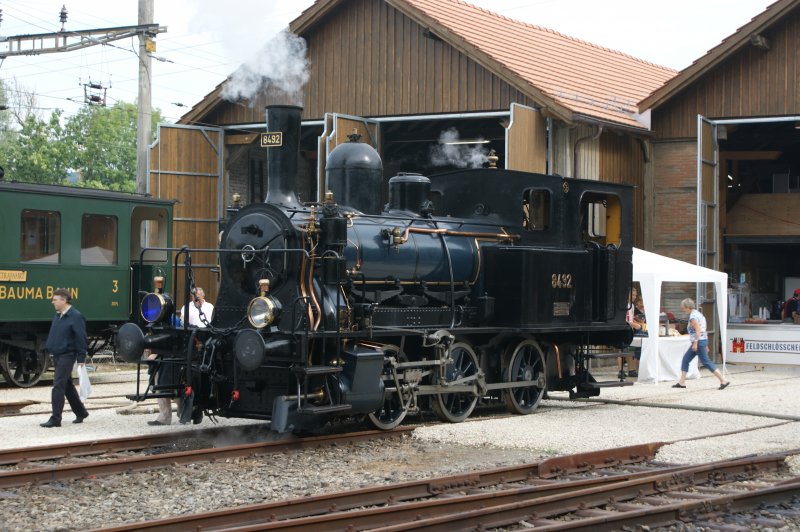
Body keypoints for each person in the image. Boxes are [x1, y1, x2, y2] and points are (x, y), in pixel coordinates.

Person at [40, 288, 90, 428]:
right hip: (57, 354)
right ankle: (81, 412)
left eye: (55, 300)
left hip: (67, 355)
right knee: (67, 385)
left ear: (64, 300)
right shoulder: (58, 315)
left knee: (58, 385)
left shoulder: (75, 316)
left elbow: (81, 337)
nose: (52, 302)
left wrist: (81, 357)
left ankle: (55, 419)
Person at [672, 298, 730, 390]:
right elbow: (703, 329)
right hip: (701, 341)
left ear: (688, 307)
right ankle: (681, 382)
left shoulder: (693, 317)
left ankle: (723, 380)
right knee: (686, 360)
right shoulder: (699, 314)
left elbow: (698, 330)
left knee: (706, 362)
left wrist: (695, 343)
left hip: (698, 342)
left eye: (683, 307)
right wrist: (705, 344)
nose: (682, 309)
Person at [618, 287, 641, 379]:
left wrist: (636, 323)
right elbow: (623, 319)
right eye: (633, 295)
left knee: (629, 349)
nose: (634, 297)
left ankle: (631, 370)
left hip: (629, 329)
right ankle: (620, 370)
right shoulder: (623, 305)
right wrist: (634, 324)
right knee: (622, 349)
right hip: (623, 329)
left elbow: (631, 318)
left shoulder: (632, 305)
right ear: (627, 295)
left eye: (635, 295)